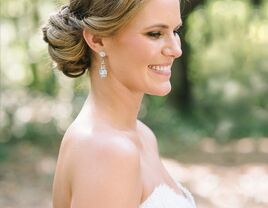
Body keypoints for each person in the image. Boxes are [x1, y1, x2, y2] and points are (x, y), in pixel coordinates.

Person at [42, 0, 196, 207]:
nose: (176, 49)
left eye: (175, 31)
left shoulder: (142, 135)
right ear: (97, 40)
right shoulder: (106, 151)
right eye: (155, 34)